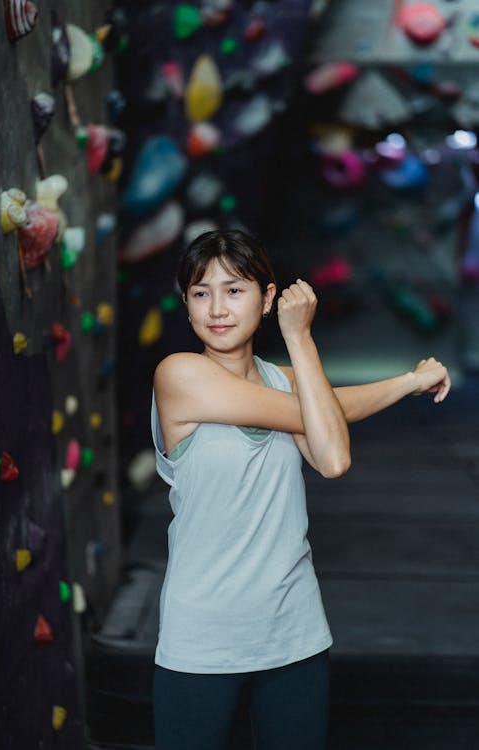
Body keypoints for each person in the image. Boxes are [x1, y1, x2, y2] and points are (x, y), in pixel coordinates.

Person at [150, 229, 451, 750]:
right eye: (201, 293)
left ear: (268, 300)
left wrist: (405, 379)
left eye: (235, 289)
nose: (217, 308)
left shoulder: (286, 380)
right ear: (187, 304)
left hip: (293, 631)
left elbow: (332, 454)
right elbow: (319, 416)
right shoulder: (179, 375)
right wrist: (305, 340)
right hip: (203, 634)